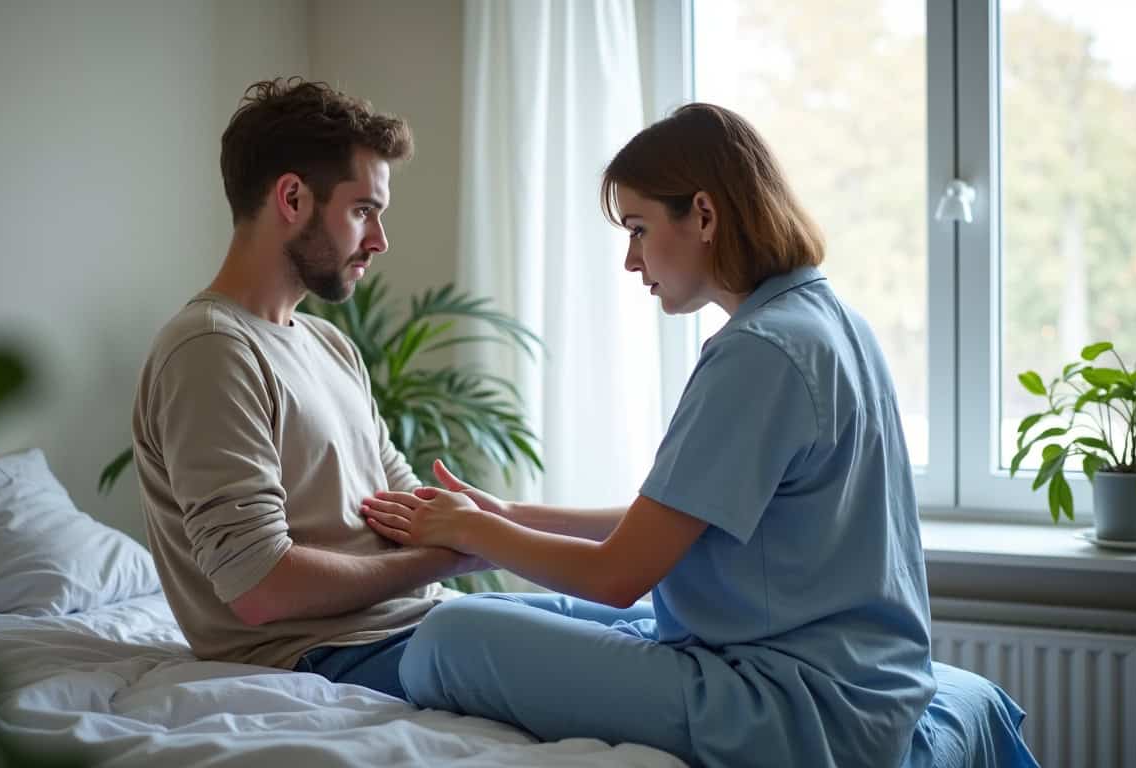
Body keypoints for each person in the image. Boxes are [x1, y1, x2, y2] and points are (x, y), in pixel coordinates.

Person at [358, 103, 939, 766]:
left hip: (795, 704)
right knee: (520, 613)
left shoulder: (762, 352)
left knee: (449, 635)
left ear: (704, 215)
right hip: (852, 682)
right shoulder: (828, 320)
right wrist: (509, 516)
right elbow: (674, 522)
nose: (632, 260)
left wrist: (469, 532)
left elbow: (619, 576)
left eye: (638, 229)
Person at [131, 77, 481, 699]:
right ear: (292, 197)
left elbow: (401, 503)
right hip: (329, 655)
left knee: (648, 631)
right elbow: (259, 586)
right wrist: (456, 555)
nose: (379, 241)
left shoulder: (327, 343)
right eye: (363, 211)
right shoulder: (209, 349)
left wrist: (484, 531)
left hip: (423, 621)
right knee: (664, 676)